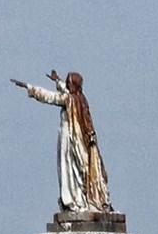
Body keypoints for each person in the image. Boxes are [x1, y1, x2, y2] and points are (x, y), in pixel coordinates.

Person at [14, 71, 114, 214]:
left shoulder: (70, 100)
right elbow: (64, 89)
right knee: (78, 170)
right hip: (80, 141)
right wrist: (57, 81)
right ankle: (80, 199)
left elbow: (50, 97)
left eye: (69, 83)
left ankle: (75, 200)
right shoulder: (81, 99)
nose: (67, 85)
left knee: (70, 169)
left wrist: (29, 87)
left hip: (70, 140)